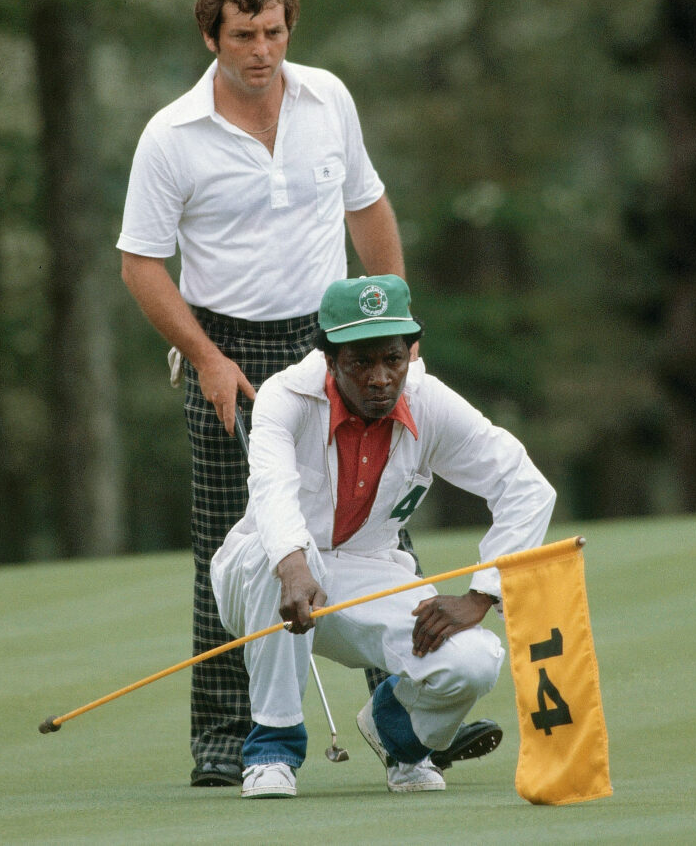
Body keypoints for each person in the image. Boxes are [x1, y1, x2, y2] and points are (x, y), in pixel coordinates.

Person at [116, 0, 485, 786]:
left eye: (273, 32)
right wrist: (207, 359)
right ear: (211, 36)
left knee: (374, 521)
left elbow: (368, 207)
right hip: (228, 348)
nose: (261, 50)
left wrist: (395, 330)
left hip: (337, 339)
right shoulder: (170, 135)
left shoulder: (329, 99)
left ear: (290, 28)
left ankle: (404, 719)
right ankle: (225, 742)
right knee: (234, 546)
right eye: (242, 35)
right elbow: (141, 263)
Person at [210, 274, 557, 798]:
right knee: (272, 545)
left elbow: (527, 488)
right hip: (264, 579)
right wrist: (294, 563)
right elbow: (272, 492)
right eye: (361, 362)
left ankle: (398, 732)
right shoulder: (284, 397)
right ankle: (273, 747)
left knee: (475, 661)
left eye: (392, 359)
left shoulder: (430, 400)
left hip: (368, 569)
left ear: (411, 352)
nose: (380, 378)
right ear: (329, 359)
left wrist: (484, 593)